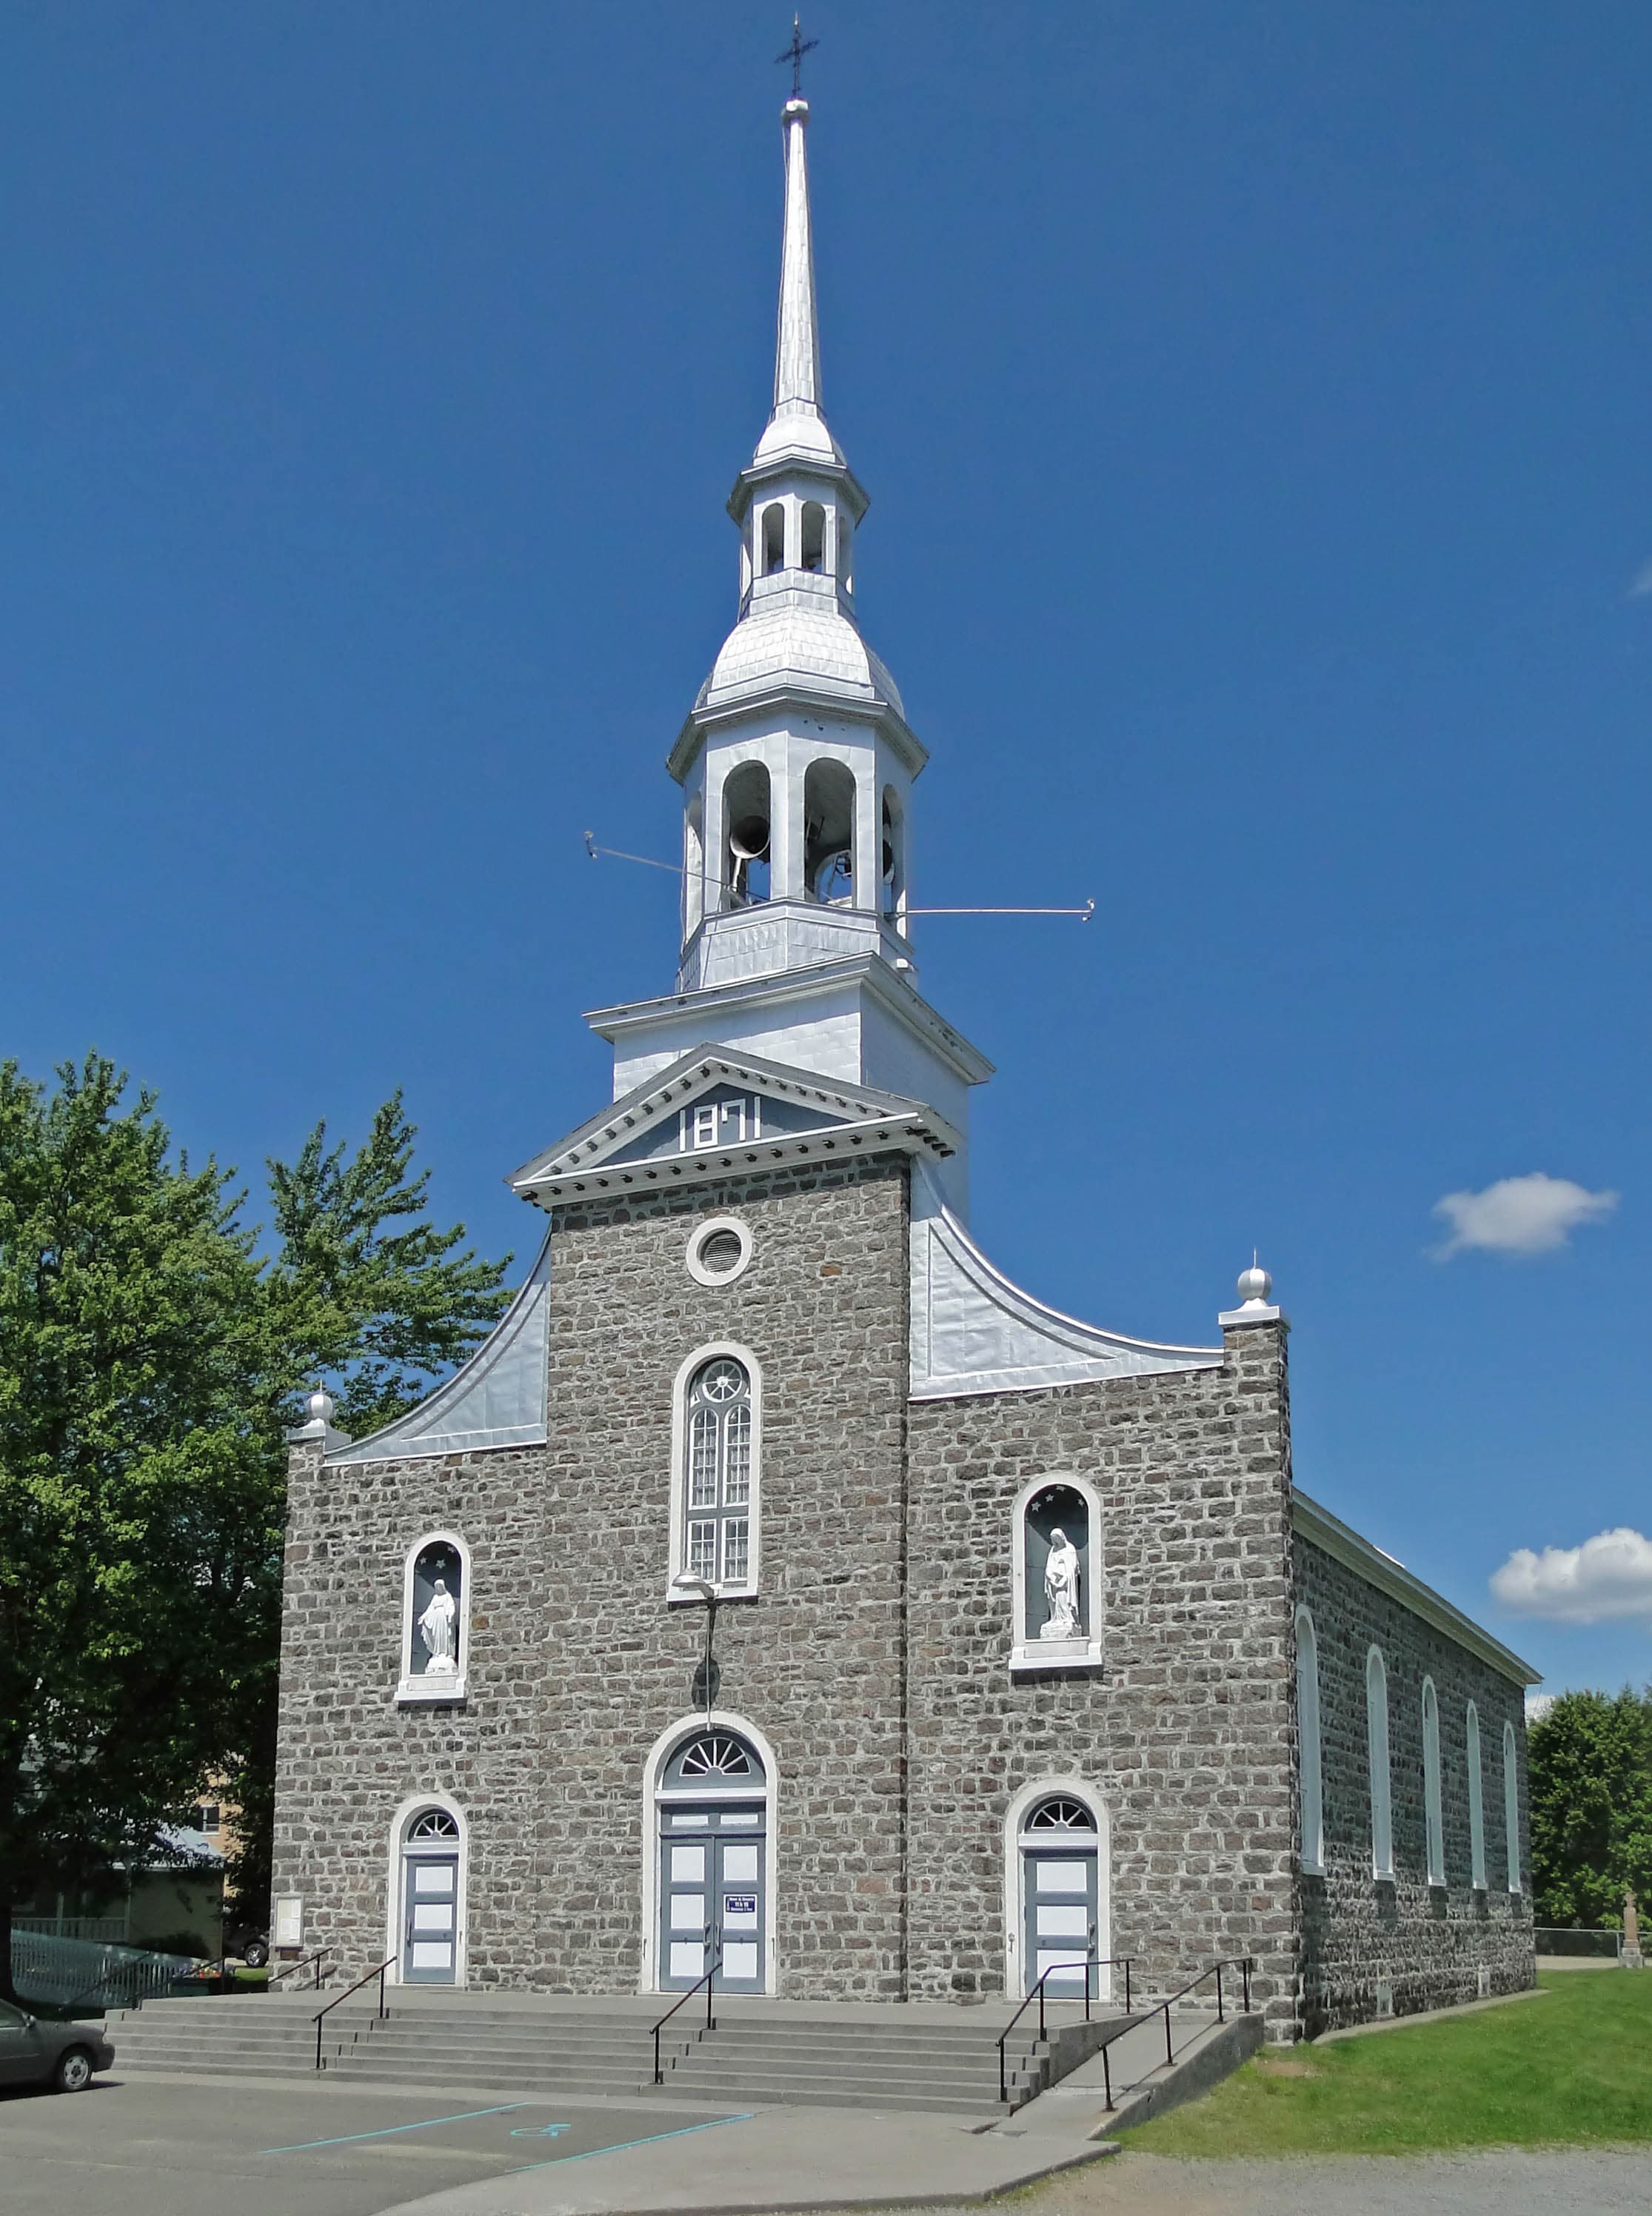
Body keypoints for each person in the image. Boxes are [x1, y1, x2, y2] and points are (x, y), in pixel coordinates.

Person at [1041, 1529, 1081, 1639]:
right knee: (1054, 1601)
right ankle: (1055, 1619)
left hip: (1065, 1581)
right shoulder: (1052, 1550)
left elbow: (1072, 1567)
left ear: (1062, 1538)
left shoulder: (1070, 1549)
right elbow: (1049, 1567)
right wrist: (1051, 1577)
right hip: (1054, 1581)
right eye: (1054, 1540)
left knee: (1063, 1599)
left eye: (1057, 1539)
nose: (1056, 1542)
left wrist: (1064, 1578)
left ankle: (1066, 1619)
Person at [417, 1575, 458, 1672]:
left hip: (444, 1618)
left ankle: (444, 1652)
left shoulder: (447, 1596)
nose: (439, 1589)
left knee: (443, 1635)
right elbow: (430, 1609)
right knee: (436, 1635)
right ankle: (437, 1652)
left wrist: (450, 1616)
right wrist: (423, 1617)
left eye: (440, 1587)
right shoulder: (435, 1598)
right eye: (437, 1587)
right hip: (436, 1619)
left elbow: (451, 1607)